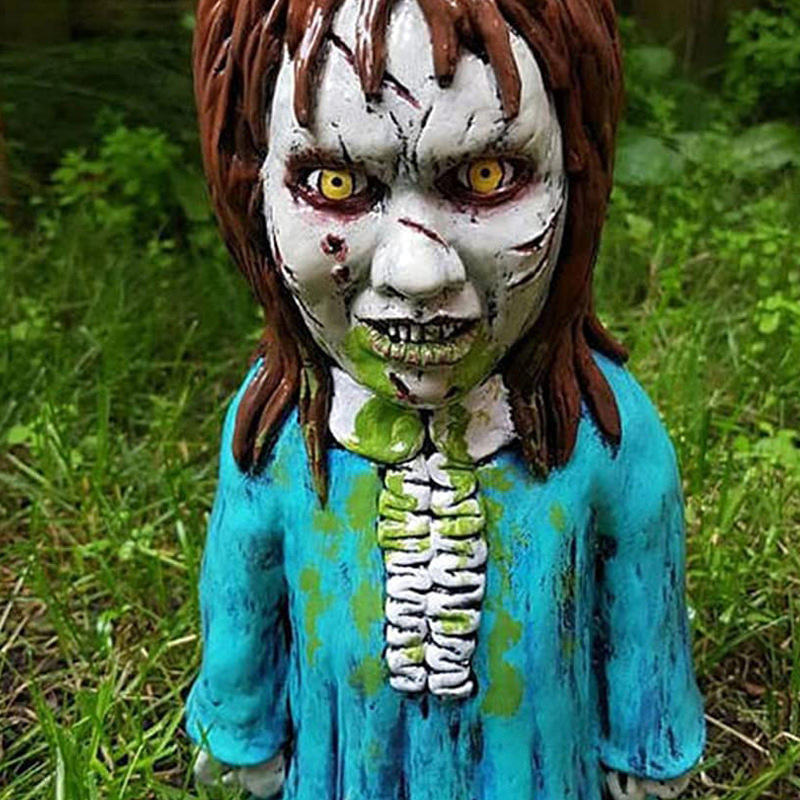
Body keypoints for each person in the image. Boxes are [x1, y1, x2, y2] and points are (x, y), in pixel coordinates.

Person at [186, 0, 705, 797]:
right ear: (250, 187)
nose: (418, 273)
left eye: (488, 177)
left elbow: (643, 612)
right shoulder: (279, 438)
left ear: (578, 173)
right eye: (334, 183)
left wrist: (647, 742)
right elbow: (242, 605)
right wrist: (240, 733)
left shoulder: (606, 436)